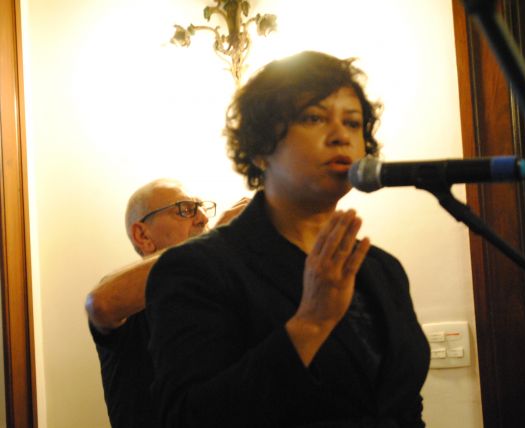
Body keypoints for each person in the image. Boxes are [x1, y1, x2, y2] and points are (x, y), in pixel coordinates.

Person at [146, 51, 431, 427]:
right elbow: (188, 418)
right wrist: (312, 322)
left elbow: (403, 405)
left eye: (352, 122)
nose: (340, 136)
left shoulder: (383, 268)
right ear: (260, 149)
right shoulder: (197, 269)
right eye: (314, 118)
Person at [85, 178, 247, 428]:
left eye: (201, 208)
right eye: (185, 209)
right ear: (143, 235)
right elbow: (101, 303)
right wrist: (216, 239)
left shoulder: (217, 298)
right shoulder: (128, 304)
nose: (203, 218)